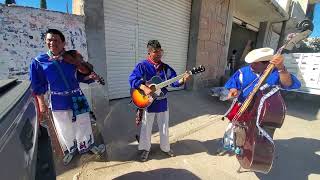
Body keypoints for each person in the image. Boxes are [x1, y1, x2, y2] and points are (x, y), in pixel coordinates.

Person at [29, 29, 105, 165]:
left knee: (83, 123)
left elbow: (82, 75)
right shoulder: (39, 62)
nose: (52, 43)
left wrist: (90, 76)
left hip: (77, 96)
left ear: (63, 42)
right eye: (49, 40)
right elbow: (37, 84)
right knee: (64, 126)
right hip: (58, 100)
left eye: (56, 40)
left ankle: (87, 146)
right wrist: (41, 103)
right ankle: (71, 149)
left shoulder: (73, 57)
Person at [220, 47, 301, 154]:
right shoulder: (243, 71)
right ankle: (231, 144)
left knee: (256, 132)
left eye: (255, 63)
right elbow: (233, 83)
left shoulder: (277, 73)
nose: (251, 66)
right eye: (252, 63)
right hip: (243, 106)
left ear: (267, 64)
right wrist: (233, 90)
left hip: (263, 111)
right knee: (235, 127)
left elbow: (289, 84)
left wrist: (281, 68)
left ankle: (251, 149)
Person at [129, 40, 191, 162]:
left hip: (162, 102)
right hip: (148, 102)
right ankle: (146, 149)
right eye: (155, 52)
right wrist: (143, 87)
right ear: (149, 52)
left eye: (160, 51)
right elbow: (132, 79)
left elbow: (174, 81)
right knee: (146, 127)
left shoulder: (165, 67)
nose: (159, 54)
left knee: (164, 126)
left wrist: (183, 80)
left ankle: (165, 147)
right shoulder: (142, 66)